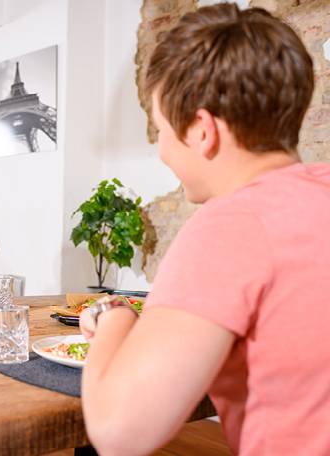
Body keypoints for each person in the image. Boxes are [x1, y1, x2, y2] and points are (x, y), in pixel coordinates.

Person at [80, 4, 329, 455]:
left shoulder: (234, 225)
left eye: (160, 131)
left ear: (201, 130)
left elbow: (119, 432)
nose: (161, 153)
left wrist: (112, 314)